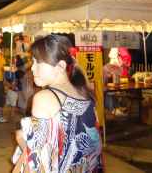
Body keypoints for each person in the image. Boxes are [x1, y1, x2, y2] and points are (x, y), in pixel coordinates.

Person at [12, 35, 102, 172]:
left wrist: (22, 140)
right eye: (33, 61)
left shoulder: (44, 98)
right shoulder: (85, 94)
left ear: (60, 66)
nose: (32, 68)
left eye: (38, 63)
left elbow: (38, 164)